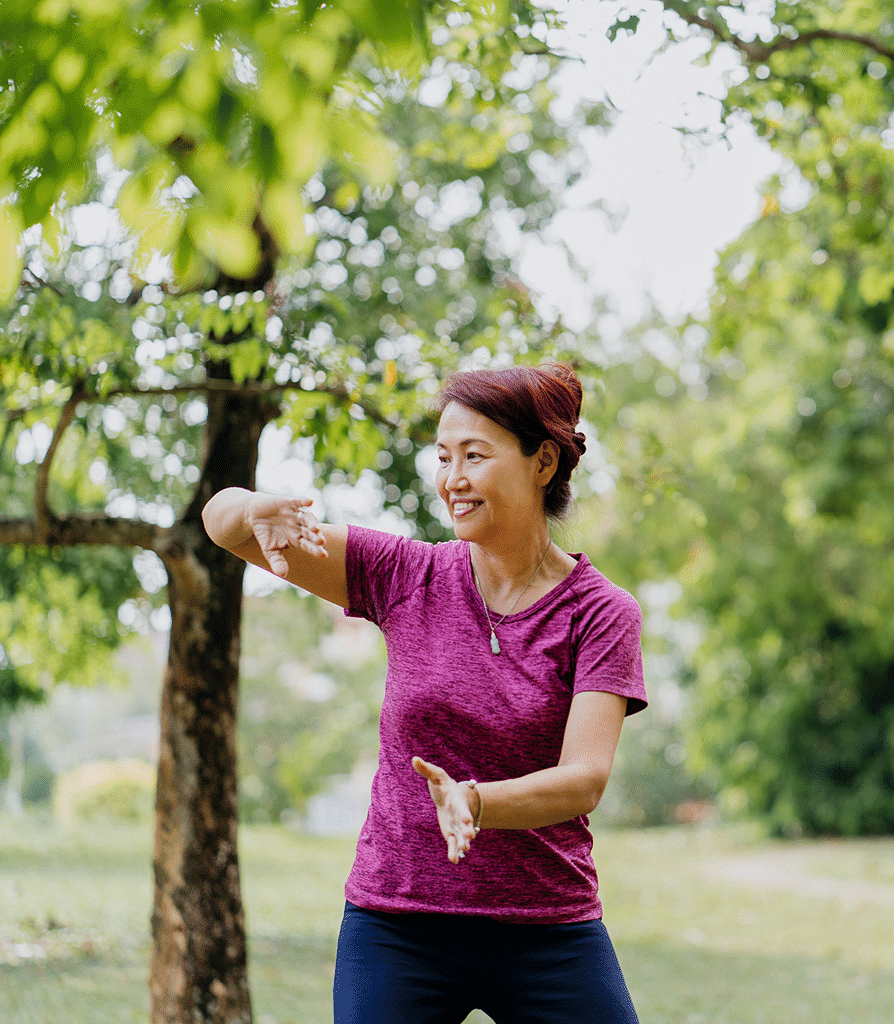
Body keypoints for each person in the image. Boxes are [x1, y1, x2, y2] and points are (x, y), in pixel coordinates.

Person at [203, 363, 646, 1024]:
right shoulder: (405, 574)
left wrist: (475, 802)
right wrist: (249, 507)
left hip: (545, 925)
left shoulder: (600, 612)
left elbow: (583, 779)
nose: (453, 479)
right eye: (443, 457)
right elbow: (224, 527)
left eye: (475, 455)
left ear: (543, 461)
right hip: (398, 923)